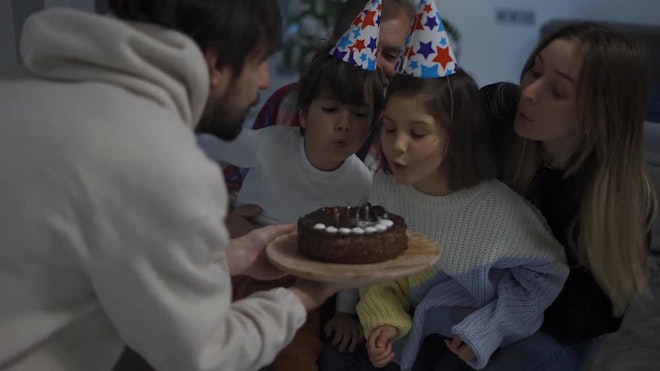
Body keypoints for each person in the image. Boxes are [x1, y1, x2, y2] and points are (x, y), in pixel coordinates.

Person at [0, 1, 346, 370]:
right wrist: (303, 297)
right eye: (259, 60)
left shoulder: (16, 93)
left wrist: (232, 256)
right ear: (215, 65)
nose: (264, 81)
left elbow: (99, 264)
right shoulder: (160, 159)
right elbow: (204, 354)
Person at [353, 2, 569, 371]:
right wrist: (383, 318)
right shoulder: (383, 195)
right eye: (390, 129)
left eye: (417, 133)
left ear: (455, 137)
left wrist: (488, 330)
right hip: (410, 332)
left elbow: (544, 279)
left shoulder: (499, 210)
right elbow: (375, 273)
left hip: (471, 340)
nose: (397, 145)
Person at [197, 2, 386, 367]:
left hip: (300, 282)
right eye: (330, 110)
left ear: (372, 124)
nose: (344, 125)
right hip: (239, 262)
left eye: (359, 115)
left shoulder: (362, 184)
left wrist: (345, 311)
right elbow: (213, 143)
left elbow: (352, 253)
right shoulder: (272, 144)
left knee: (298, 359)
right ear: (303, 114)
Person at [477, 22, 658, 371]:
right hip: (480, 293)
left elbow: (599, 313)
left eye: (557, 91)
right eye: (535, 68)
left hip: (556, 324)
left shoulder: (621, 199)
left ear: (599, 116)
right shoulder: (499, 111)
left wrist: (498, 316)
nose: (529, 91)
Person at [222, 0, 416, 240]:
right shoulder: (287, 105)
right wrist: (234, 223)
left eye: (390, 54)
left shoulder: (406, 135)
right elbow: (231, 181)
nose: (371, 63)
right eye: (363, 45)